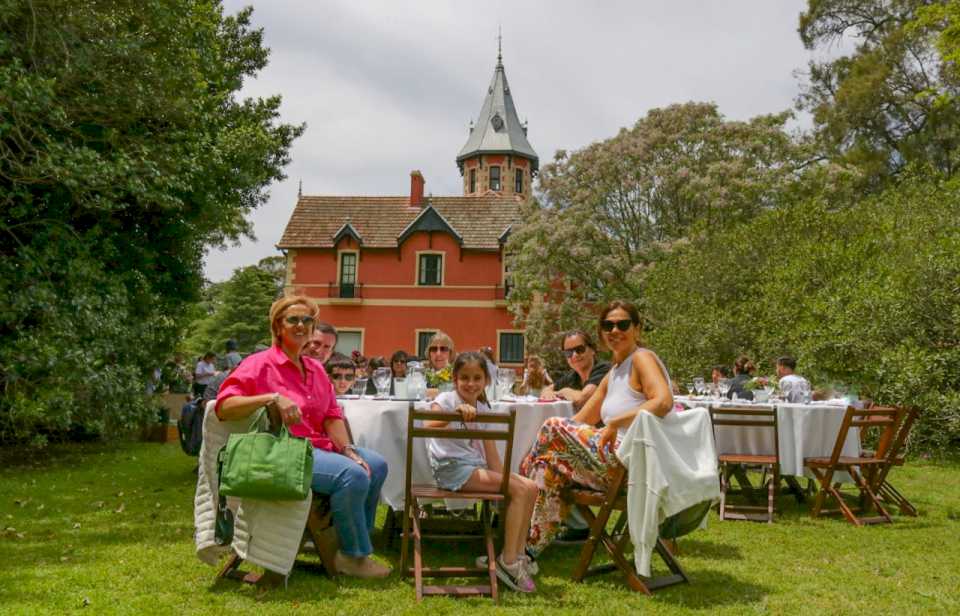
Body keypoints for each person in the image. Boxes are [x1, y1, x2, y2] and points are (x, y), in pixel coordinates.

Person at [215, 295, 390, 580]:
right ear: (277, 326)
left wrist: (347, 449)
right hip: (284, 452)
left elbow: (331, 415)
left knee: (377, 464)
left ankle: (356, 537)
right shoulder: (260, 364)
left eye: (307, 320)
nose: (301, 325)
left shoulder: (317, 369)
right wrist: (271, 398)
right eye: (293, 319)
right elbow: (223, 407)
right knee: (353, 476)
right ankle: (353, 556)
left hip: (319, 447)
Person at [521, 300, 674, 559]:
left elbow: (663, 401)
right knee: (549, 467)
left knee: (551, 426)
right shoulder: (614, 373)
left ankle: (519, 482)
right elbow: (580, 420)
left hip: (632, 464)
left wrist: (615, 422)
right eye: (608, 325)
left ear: (637, 328)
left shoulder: (642, 358)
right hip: (610, 465)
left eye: (622, 324)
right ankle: (527, 551)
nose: (614, 330)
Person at [425, 352, 540, 593]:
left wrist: (508, 479)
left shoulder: (483, 407)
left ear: (486, 380)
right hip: (450, 469)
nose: (470, 383)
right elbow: (428, 425)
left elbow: (492, 457)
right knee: (519, 488)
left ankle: (517, 556)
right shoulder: (446, 399)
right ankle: (507, 563)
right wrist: (454, 413)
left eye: (477, 378)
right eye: (464, 377)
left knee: (529, 487)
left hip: (472, 466)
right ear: (455, 379)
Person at [540, 330, 611, 411]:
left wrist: (565, 391)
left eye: (580, 349)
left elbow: (583, 399)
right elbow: (547, 389)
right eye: (568, 353)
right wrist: (548, 393)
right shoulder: (572, 376)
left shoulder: (604, 369)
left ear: (593, 350)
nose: (574, 355)